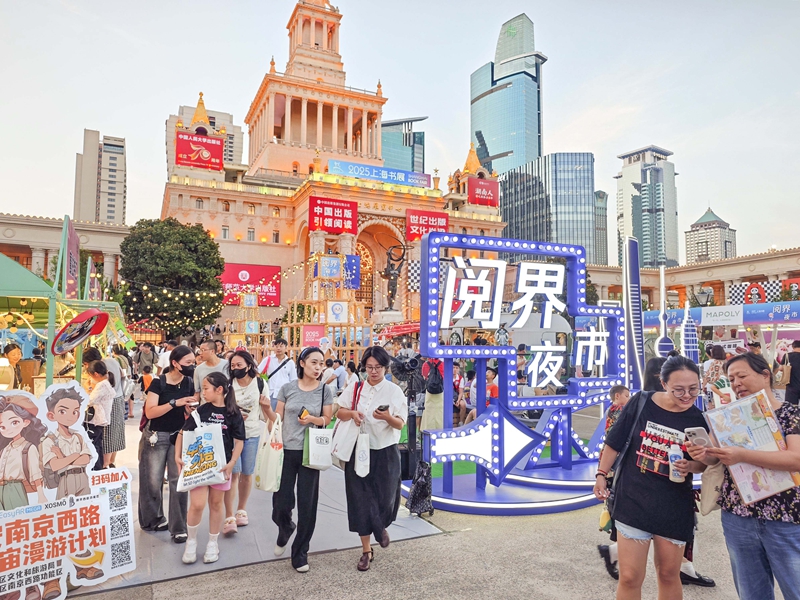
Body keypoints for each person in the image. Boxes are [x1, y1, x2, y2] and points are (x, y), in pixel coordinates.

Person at [593, 354, 709, 600]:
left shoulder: (698, 419)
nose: (687, 396)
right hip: (633, 499)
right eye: (679, 390)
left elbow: (705, 464)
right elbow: (614, 442)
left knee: (668, 574)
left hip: (674, 505)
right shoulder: (641, 402)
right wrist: (601, 474)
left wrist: (692, 464)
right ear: (664, 383)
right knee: (629, 576)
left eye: (693, 389)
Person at [687, 352, 800, 600]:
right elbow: (714, 460)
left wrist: (742, 455)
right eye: (731, 379)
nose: (736, 383)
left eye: (742, 376)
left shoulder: (790, 413)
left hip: (785, 517)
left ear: (765, 375)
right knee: (751, 592)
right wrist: (702, 453)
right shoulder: (725, 417)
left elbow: (796, 459)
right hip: (738, 517)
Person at [261, 346, 334, 572]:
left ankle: (300, 552)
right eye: (313, 362)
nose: (318, 367)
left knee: (307, 504)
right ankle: (285, 527)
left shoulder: (324, 390)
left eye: (321, 363)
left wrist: (312, 419)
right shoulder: (288, 388)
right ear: (302, 363)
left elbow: (328, 418)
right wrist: (266, 409)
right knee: (281, 502)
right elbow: (277, 420)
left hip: (310, 452)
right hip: (286, 450)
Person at [335, 346, 407, 571]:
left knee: (386, 496)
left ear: (386, 367)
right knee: (359, 499)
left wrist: (387, 417)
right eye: (369, 367)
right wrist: (352, 414)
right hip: (358, 449)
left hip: (385, 450)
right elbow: (340, 412)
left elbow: (400, 423)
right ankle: (366, 550)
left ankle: (379, 526)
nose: (373, 372)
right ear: (364, 367)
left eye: (378, 367)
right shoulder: (356, 387)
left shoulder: (394, 391)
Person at [177, 371, 244, 565]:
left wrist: (232, 463)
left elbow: (239, 441)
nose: (203, 392)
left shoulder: (234, 413)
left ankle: (213, 543)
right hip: (199, 466)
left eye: (206, 388)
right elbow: (183, 432)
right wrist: (177, 456)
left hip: (222, 468)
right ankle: (191, 541)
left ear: (219, 389)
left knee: (216, 504)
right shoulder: (201, 411)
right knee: (197, 504)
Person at [139, 345, 197, 543]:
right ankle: (153, 519)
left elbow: (186, 410)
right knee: (152, 481)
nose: (192, 366)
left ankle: (179, 527)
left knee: (178, 481)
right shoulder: (159, 382)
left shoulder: (189, 382)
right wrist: (174, 403)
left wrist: (188, 409)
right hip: (156, 436)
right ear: (175, 363)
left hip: (179, 435)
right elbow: (150, 412)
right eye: (188, 362)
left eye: (193, 362)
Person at [0, 395, 51, 600]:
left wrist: (41, 495)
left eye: (13, 422)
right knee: (4, 538)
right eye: (2, 425)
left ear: (26, 422)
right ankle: (9, 585)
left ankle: (31, 585)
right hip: (2, 491)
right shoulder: (5, 449)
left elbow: (36, 474)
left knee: (20, 537)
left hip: (16, 491)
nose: (6, 429)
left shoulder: (28, 448)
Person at [222, 350, 269, 535]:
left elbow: (266, 411)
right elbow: (220, 408)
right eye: (233, 365)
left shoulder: (260, 384)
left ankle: (241, 509)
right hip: (232, 435)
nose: (236, 368)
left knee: (247, 474)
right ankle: (229, 515)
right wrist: (233, 415)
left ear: (249, 365)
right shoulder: (228, 385)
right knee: (233, 473)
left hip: (252, 433)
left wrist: (268, 409)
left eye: (239, 365)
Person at [597, 384, 631, 580]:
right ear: (617, 396)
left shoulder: (612, 410)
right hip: (616, 463)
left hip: (612, 462)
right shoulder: (619, 410)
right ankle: (614, 550)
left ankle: (615, 551)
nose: (629, 398)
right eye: (627, 395)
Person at [83, 348, 125, 467]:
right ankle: (110, 462)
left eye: (86, 364)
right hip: (118, 397)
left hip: (107, 402)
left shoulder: (100, 369)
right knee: (113, 433)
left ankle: (104, 464)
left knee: (106, 435)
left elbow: (93, 396)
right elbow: (123, 377)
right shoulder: (112, 361)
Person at [86, 360, 116, 468]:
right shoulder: (107, 383)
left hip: (96, 420)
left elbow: (90, 400)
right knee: (97, 444)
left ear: (96, 374)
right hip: (101, 420)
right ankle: (98, 469)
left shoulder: (101, 385)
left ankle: (96, 468)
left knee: (93, 445)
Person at [257, 339, 297, 410]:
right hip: (270, 393)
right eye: (276, 346)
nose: (278, 348)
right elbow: (257, 371)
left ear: (286, 348)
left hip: (284, 394)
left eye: (281, 346)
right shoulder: (268, 359)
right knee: (270, 414)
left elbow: (293, 380)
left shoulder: (290, 363)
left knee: (282, 415)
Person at [420, 357, 444, 432]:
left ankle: (428, 429)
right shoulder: (443, 364)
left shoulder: (425, 364)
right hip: (440, 391)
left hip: (429, 391)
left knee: (429, 411)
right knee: (440, 411)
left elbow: (424, 377)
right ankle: (440, 428)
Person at [703, 345, 727, 409]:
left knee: (712, 408)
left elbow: (707, 376)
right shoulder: (726, 362)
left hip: (711, 388)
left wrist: (703, 386)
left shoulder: (712, 363)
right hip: (723, 387)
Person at [778, 339, 800, 405]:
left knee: (791, 407)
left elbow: (780, 368)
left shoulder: (787, 356)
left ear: (793, 347)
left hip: (791, 386)